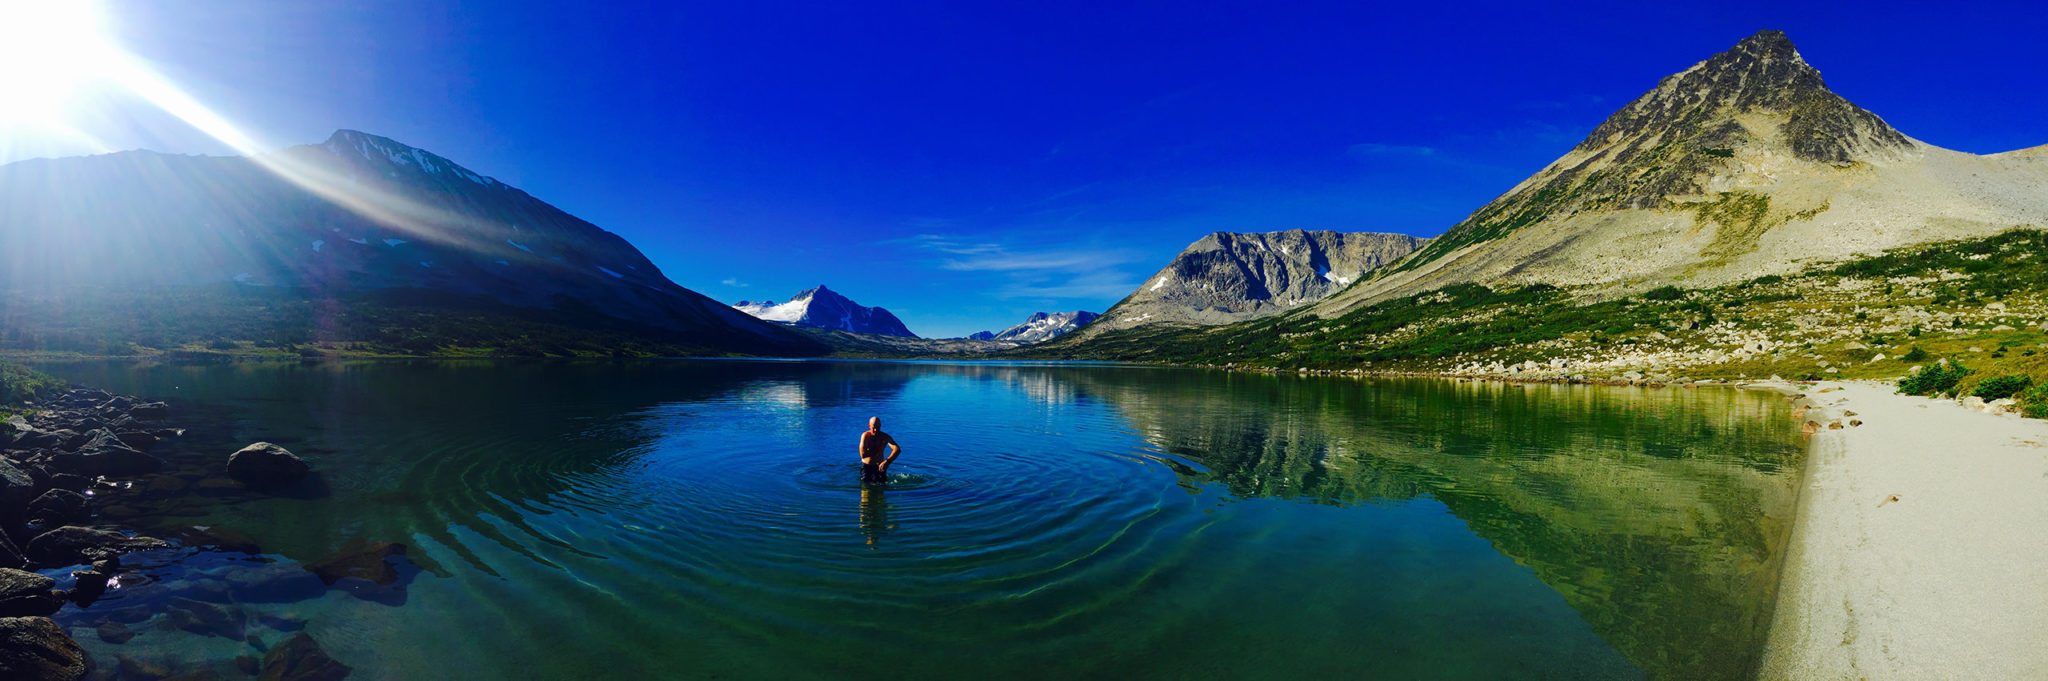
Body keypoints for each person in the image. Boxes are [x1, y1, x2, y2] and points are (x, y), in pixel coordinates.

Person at [858, 416, 901, 484]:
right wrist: (877, 452)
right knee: (866, 489)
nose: (875, 430)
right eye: (873, 427)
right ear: (869, 426)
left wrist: (887, 461)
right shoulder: (865, 436)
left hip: (881, 466)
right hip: (867, 467)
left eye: (878, 427)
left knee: (881, 488)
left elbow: (897, 449)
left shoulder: (884, 437)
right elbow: (863, 454)